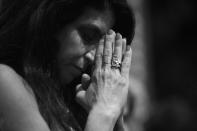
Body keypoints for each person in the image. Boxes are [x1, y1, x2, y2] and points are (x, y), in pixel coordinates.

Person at [0, 0, 135, 131]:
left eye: (102, 47)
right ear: (53, 22)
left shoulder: (73, 100)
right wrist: (105, 110)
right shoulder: (5, 80)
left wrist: (116, 119)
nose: (93, 57)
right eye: (88, 36)